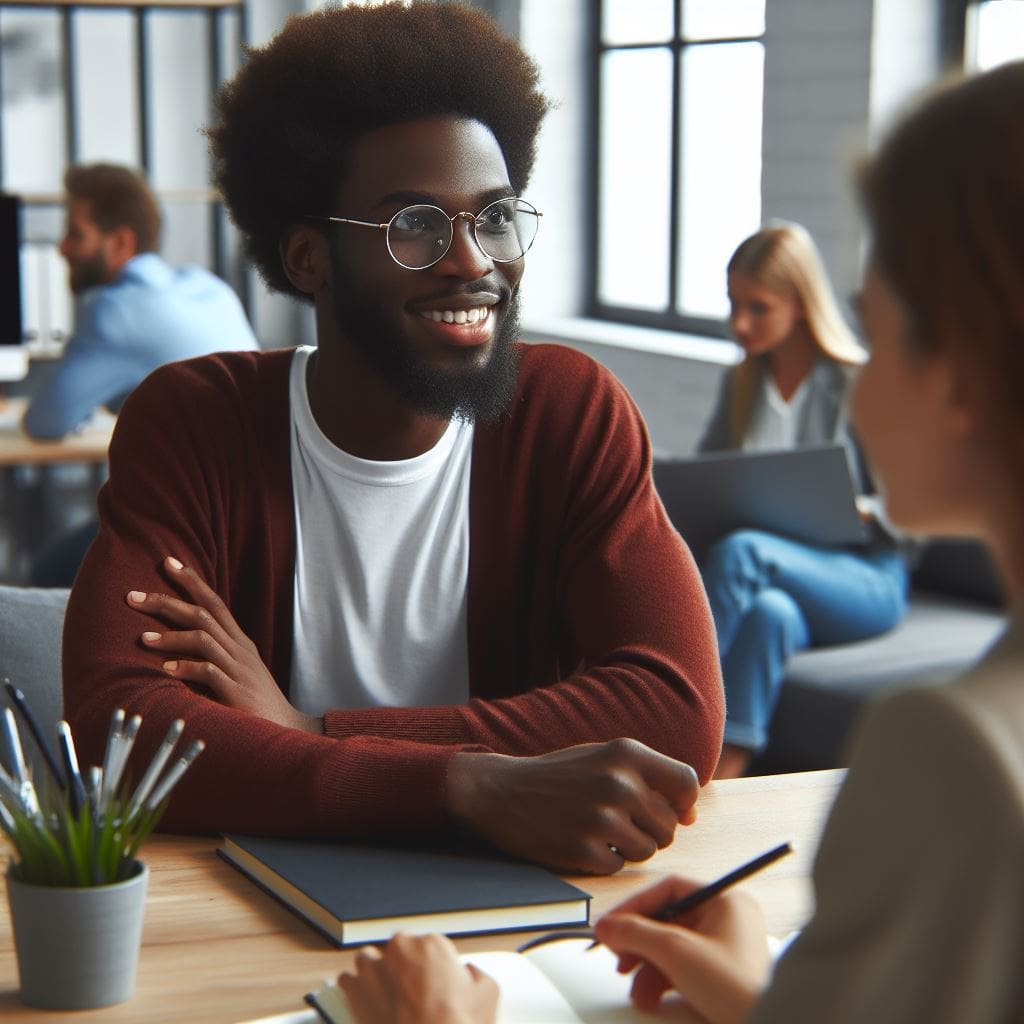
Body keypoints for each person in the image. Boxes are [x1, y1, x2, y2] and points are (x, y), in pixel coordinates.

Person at [335, 60, 1024, 1023]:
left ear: (962, 374)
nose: (861, 384)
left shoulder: (955, 756)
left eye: (882, 327)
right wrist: (762, 1004)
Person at [61, 1, 724, 876]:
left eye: (494, 218)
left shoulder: (566, 411)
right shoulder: (196, 422)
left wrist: (311, 732)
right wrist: (467, 787)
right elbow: (121, 726)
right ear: (308, 258)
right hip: (260, 901)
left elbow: (675, 709)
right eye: (415, 225)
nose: (473, 261)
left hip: (524, 898)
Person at [697, 223, 908, 778]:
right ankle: (721, 779)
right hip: (782, 582)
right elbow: (706, 479)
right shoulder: (741, 385)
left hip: (866, 577)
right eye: (733, 304)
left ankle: (669, 712)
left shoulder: (861, 384)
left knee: (743, 552)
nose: (739, 323)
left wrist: (856, 508)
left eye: (758, 308)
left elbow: (913, 516)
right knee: (771, 615)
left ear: (799, 303)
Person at [23, 162, 256, 440]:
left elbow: (45, 423)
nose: (62, 248)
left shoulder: (114, 312)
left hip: (203, 479)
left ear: (121, 242)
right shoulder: (212, 287)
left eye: (76, 234)